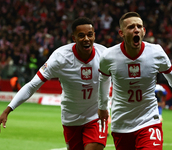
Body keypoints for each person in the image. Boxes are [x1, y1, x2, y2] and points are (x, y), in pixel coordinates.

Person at [0, 17, 108, 150]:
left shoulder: (104, 55)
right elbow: (32, 85)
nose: (86, 39)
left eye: (90, 35)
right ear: (73, 38)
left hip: (95, 117)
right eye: (81, 35)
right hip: (71, 119)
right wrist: (8, 109)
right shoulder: (60, 58)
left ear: (94, 36)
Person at [98, 12, 172, 150]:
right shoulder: (108, 56)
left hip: (149, 121)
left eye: (139, 26)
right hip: (121, 124)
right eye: (131, 27)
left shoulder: (156, 52)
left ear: (144, 31)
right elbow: (103, 80)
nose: (136, 29)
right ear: (121, 33)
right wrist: (103, 107)